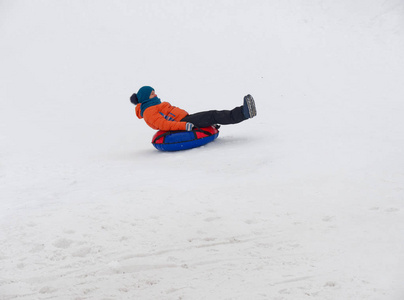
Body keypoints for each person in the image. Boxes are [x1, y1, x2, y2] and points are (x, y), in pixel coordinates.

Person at [130, 86, 256, 131]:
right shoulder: (149, 111)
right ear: (145, 97)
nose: (155, 95)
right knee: (212, 115)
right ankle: (244, 112)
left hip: (185, 119)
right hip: (182, 122)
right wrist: (184, 126)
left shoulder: (153, 106)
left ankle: (243, 111)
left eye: (154, 92)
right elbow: (163, 124)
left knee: (211, 115)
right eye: (152, 94)